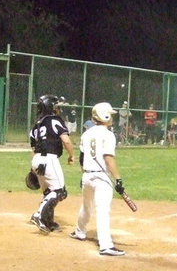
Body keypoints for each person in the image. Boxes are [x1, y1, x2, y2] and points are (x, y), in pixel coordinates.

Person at [70, 102, 126, 256]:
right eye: (110, 115)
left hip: (87, 175)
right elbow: (108, 159)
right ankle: (106, 245)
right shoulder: (108, 135)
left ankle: (79, 231)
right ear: (105, 116)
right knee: (102, 210)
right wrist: (118, 179)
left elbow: (82, 159)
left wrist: (83, 174)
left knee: (86, 206)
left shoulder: (86, 133)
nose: (112, 118)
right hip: (101, 178)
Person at [29, 94, 75, 234]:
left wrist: (34, 170)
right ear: (50, 107)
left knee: (48, 192)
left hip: (37, 159)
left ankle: (48, 222)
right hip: (49, 159)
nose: (57, 108)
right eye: (55, 106)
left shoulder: (36, 125)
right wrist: (71, 155)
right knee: (60, 192)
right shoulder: (55, 120)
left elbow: (33, 148)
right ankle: (38, 215)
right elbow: (66, 140)